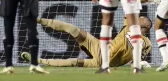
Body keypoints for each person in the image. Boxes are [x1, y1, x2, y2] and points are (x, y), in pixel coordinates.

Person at [21, 16, 152, 68]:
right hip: (100, 47)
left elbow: (134, 63)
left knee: (73, 62)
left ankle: (38, 61)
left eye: (140, 19)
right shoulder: (130, 26)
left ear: (145, 25)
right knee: (72, 29)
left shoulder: (147, 44)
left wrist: (141, 64)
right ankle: (37, 19)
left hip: (104, 63)